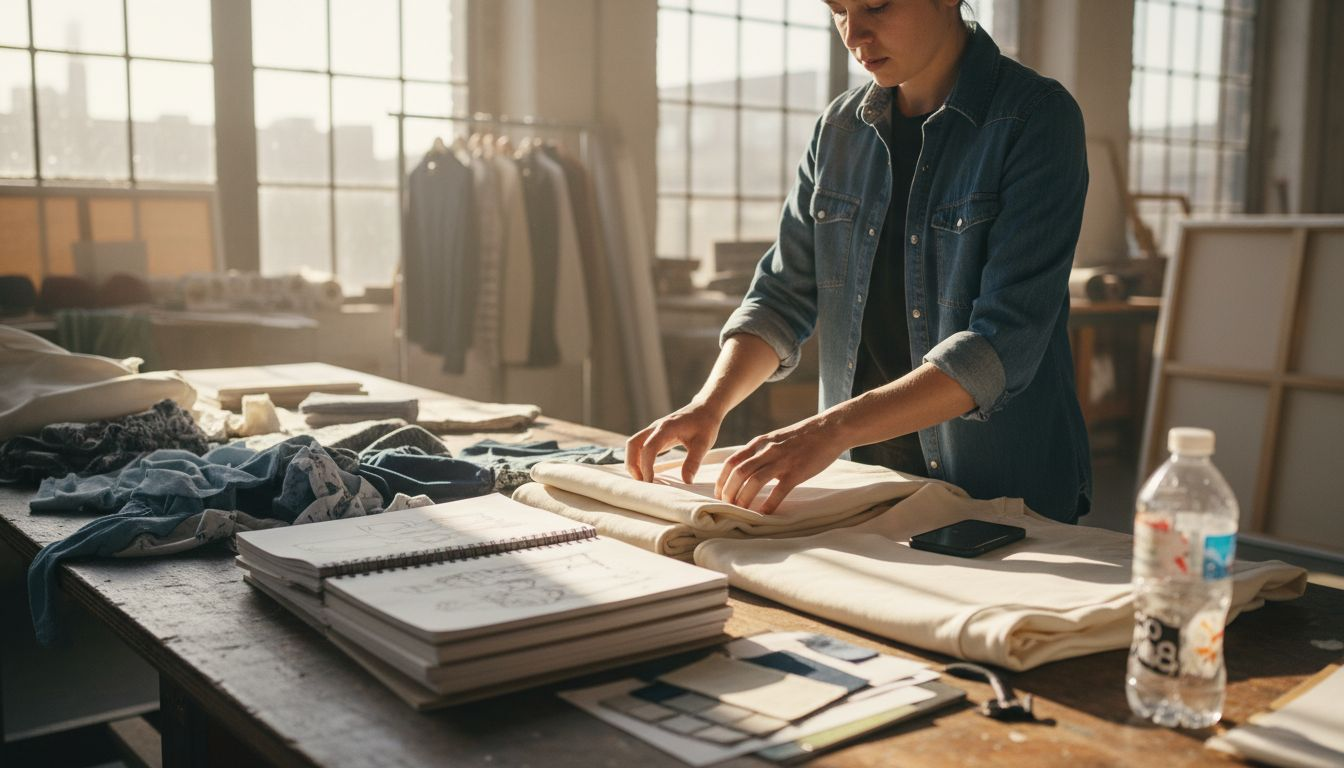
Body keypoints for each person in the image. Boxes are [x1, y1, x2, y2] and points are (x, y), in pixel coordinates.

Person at [626, 0, 1092, 523]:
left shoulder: (1036, 118)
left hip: (1001, 494)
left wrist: (827, 428)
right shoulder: (839, 130)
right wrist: (708, 405)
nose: (854, 34)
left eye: (875, 5)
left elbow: (1001, 345)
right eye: (838, 10)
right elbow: (781, 297)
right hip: (865, 485)